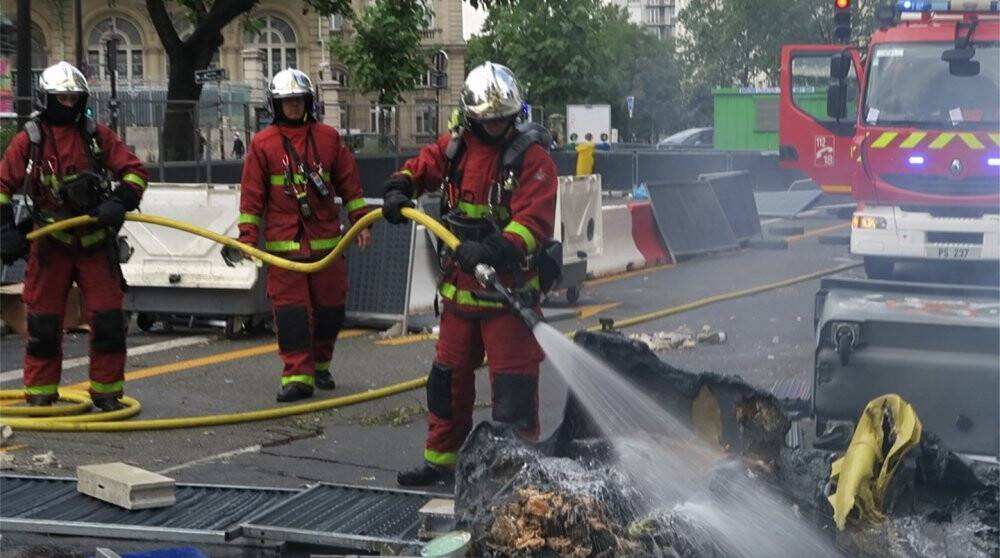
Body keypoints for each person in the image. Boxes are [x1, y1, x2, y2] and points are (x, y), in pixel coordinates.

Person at [382, 61, 557, 486]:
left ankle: (514, 473)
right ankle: (441, 462)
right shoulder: (454, 149)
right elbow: (420, 166)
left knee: (513, 388)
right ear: (472, 116)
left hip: (507, 296)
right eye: (488, 118)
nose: (496, 125)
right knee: (447, 383)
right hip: (460, 294)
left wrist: (494, 249)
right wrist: (399, 187)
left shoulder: (532, 159)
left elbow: (532, 222)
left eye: (503, 117)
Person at [0, 61, 148, 411]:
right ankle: (40, 393)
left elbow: (135, 172)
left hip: (96, 243)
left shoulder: (97, 137)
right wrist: (5, 230)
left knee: (109, 320)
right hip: (50, 245)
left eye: (74, 98)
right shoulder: (31, 140)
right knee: (43, 324)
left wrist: (119, 202)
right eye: (61, 98)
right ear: (47, 99)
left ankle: (107, 392)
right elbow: (2, 185)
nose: (68, 104)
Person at [228, 69, 372, 403]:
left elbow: (350, 183)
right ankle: (298, 376)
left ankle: (321, 365)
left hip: (327, 245)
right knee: (292, 314)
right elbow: (252, 196)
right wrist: (248, 236)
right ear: (275, 106)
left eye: (298, 100)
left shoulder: (328, 138)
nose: (293, 107)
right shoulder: (262, 144)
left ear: (308, 102)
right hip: (285, 249)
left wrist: (362, 220)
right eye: (286, 102)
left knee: (331, 309)